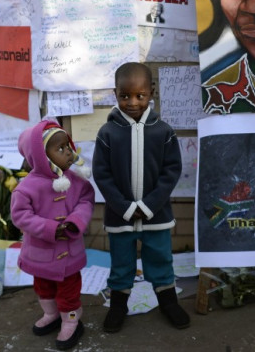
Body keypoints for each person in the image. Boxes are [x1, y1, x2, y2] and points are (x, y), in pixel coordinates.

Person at [93, 62, 190, 333]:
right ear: (116, 94)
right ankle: (118, 307)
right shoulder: (107, 133)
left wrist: (148, 206)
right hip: (120, 216)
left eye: (140, 95)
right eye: (125, 96)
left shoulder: (164, 132)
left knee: (160, 259)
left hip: (156, 215)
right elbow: (102, 175)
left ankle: (169, 302)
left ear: (151, 93)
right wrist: (125, 207)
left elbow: (171, 172)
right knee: (121, 263)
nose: (132, 102)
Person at [11, 120, 95, 351]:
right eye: (60, 149)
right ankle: (51, 314)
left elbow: (86, 200)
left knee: (69, 290)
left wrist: (75, 221)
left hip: (69, 252)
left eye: (68, 146)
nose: (68, 152)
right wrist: (49, 229)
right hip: (40, 254)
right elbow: (20, 216)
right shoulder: (26, 188)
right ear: (40, 156)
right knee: (43, 287)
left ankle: (71, 320)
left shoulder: (76, 182)